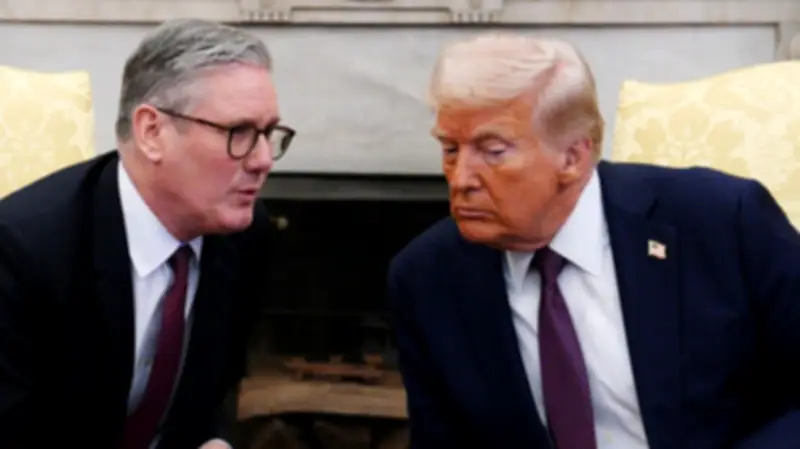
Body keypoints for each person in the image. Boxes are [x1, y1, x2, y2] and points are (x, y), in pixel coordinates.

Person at [387, 33, 800, 449]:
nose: (460, 179)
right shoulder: (427, 278)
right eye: (450, 150)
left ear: (573, 156)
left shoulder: (722, 222)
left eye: (493, 151)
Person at [0, 19, 295, 449]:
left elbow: (214, 393)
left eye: (268, 133)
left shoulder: (244, 235)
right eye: (240, 133)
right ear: (152, 132)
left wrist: (214, 440)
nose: (264, 159)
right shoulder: (23, 250)